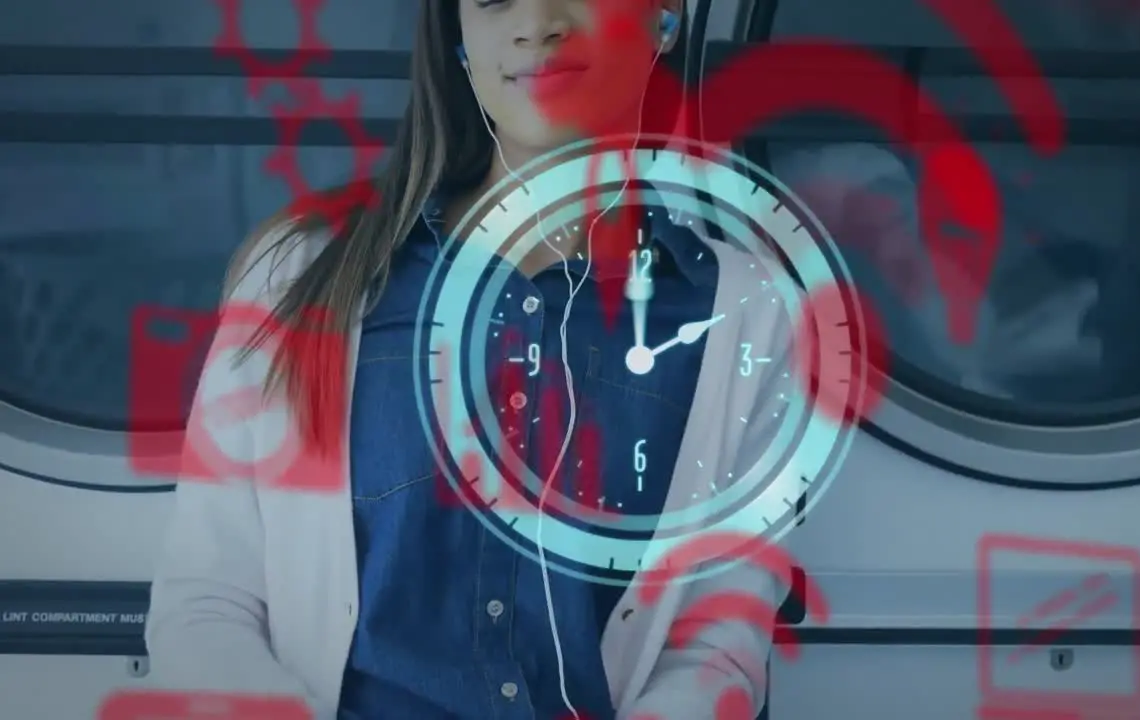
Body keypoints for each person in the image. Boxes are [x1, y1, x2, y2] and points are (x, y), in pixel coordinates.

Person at [143, 1, 796, 718]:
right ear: (459, 44)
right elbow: (206, 603)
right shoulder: (297, 275)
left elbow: (718, 647)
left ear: (663, 20)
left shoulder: (747, 316)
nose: (537, 23)